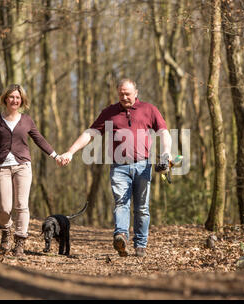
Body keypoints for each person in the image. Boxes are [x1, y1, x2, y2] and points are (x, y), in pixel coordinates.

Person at [59, 79, 172, 257]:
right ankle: (121, 236)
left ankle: (140, 244)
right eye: (121, 93)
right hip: (119, 167)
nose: (124, 97)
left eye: (127, 93)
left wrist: (166, 153)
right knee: (121, 203)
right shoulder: (109, 112)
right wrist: (71, 151)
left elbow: (163, 132)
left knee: (142, 208)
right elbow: (91, 133)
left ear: (136, 93)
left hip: (143, 166)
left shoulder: (149, 110)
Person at [0, 84, 62, 257]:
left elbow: (39, 139)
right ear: (5, 99)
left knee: (22, 206)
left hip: (23, 166)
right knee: (4, 208)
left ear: (22, 101)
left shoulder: (27, 120)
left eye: (18, 98)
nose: (14, 100)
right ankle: (6, 231)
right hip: (1, 167)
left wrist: (55, 156)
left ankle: (19, 243)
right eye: (11, 97)